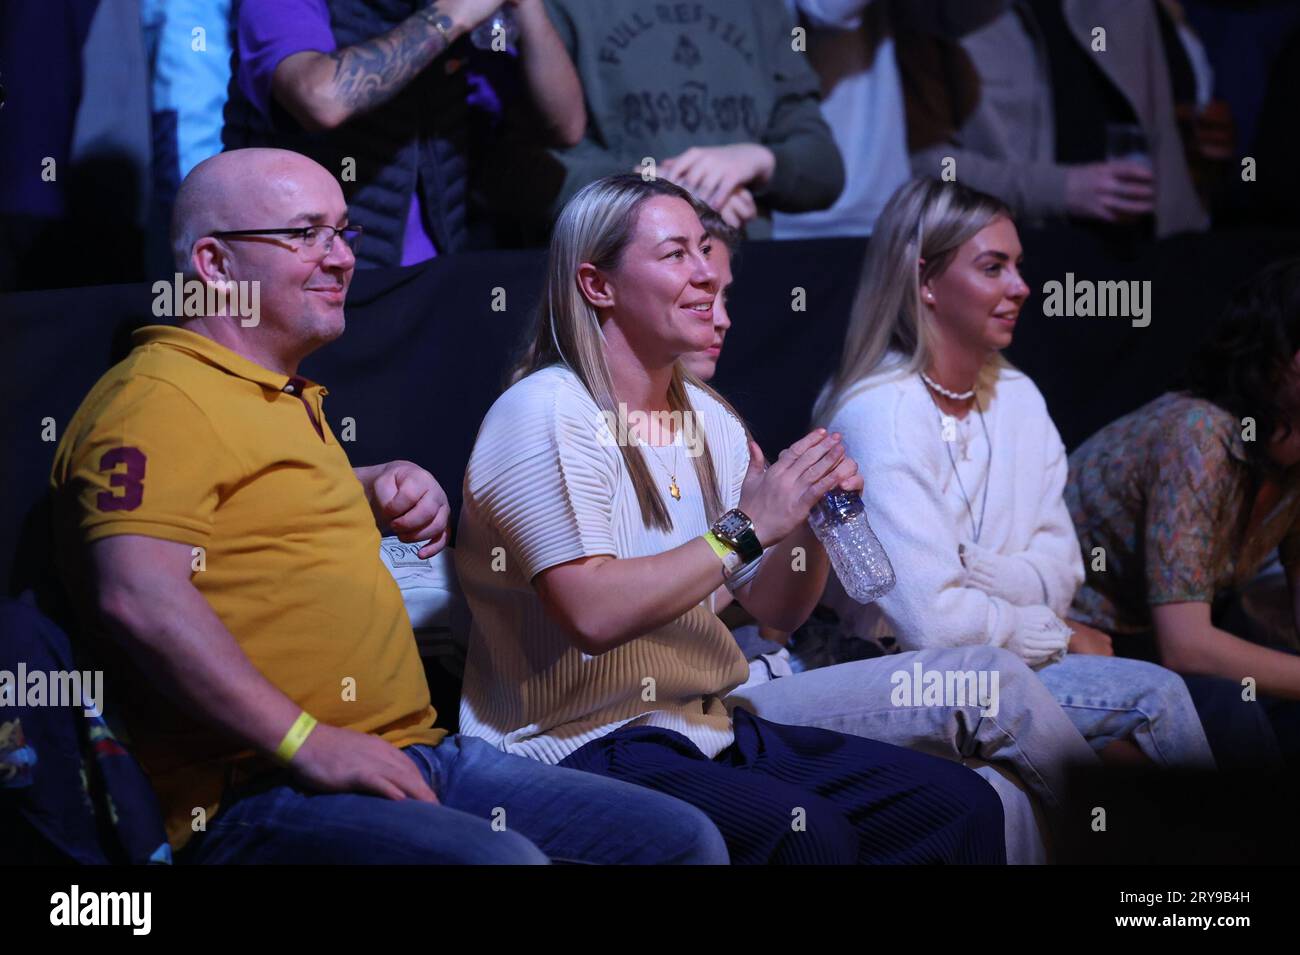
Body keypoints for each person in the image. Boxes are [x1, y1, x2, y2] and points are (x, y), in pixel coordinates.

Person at [47, 147, 729, 865]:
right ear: (216, 265)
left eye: (344, 233)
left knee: (682, 841)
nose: (339, 257)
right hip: (258, 788)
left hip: (417, 755)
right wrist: (305, 740)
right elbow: (136, 593)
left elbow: (249, 523)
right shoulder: (158, 400)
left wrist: (368, 486)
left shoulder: (274, 395)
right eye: (304, 233)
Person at [813, 177, 1214, 770]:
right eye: (993, 267)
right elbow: (930, 625)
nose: (1021, 287)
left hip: (998, 662)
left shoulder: (1019, 396)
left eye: (1018, 266)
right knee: (1155, 697)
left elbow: (1064, 570)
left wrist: (978, 568)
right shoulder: (879, 413)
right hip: (897, 673)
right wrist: (1054, 631)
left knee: (1176, 724)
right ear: (925, 280)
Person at [1067, 257, 1300, 767]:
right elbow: (1187, 646)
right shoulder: (1201, 433)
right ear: (1280, 356)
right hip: (1078, 643)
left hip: (1152, 647)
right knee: (1228, 712)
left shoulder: (1292, 459)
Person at [223, 0, 585, 266]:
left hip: (435, 277)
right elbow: (319, 98)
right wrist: (451, 16)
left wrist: (527, 8)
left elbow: (564, 126)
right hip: (309, 277)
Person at [522, 0, 845, 238]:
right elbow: (522, 173)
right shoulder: (560, 8)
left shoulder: (759, 9)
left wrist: (757, 161)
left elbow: (824, 169)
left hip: (741, 271)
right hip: (616, 280)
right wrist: (656, 192)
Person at [898, 0, 1206, 238]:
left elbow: (1171, 127)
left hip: (1146, 252)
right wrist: (1062, 189)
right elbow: (925, 165)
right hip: (1020, 254)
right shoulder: (936, 12)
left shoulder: (1128, 7)